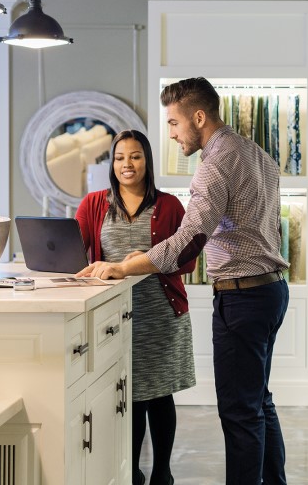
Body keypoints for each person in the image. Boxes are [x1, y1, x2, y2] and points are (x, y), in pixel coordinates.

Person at [78, 77, 290, 485]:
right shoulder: (256, 153)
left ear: (199, 117)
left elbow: (190, 239)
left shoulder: (215, 165)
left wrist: (126, 267)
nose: (172, 133)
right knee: (259, 403)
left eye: (174, 123)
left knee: (240, 412)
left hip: (243, 297)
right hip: (271, 290)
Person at [74, 129, 196, 485]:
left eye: (135, 156)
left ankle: (162, 473)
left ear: (147, 161)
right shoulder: (93, 204)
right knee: (129, 396)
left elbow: (188, 259)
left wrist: (147, 259)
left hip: (160, 314)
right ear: (112, 164)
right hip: (112, 316)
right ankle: (131, 472)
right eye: (120, 157)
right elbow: (74, 253)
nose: (127, 164)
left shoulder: (170, 206)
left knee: (158, 394)